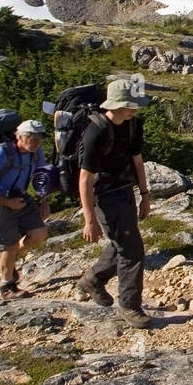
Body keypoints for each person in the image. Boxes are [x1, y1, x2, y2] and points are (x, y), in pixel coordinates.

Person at [75, 78, 154, 329]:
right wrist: (89, 219)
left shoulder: (132, 125)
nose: (135, 109)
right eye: (130, 105)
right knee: (132, 250)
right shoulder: (95, 131)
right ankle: (129, 305)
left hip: (124, 190)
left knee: (123, 240)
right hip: (105, 196)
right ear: (116, 105)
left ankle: (92, 280)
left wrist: (145, 194)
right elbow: (85, 179)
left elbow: (137, 161)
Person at [0, 119, 50, 300]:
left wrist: (44, 201)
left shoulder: (35, 153)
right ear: (19, 137)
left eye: (39, 138)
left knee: (39, 233)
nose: (36, 142)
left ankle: (6, 259)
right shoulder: (1, 153)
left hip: (20, 197)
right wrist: (7, 202)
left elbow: (41, 177)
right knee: (9, 245)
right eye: (32, 137)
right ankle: (7, 287)